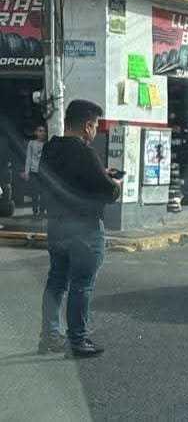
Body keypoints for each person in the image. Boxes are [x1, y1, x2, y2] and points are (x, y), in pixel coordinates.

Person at [39, 100, 122, 358]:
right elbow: (109, 191)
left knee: (56, 281)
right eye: (96, 125)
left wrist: (99, 173)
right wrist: (115, 182)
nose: (96, 130)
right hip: (84, 228)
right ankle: (78, 340)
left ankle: (50, 337)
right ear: (87, 126)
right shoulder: (86, 153)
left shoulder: (50, 149)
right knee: (82, 284)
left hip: (56, 224)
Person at [21, 124, 47, 219]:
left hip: (44, 173)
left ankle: (42, 211)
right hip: (34, 171)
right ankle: (35, 211)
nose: (42, 133)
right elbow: (28, 158)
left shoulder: (47, 143)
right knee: (34, 193)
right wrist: (26, 172)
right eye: (40, 130)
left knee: (44, 193)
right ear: (36, 132)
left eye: (43, 131)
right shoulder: (32, 143)